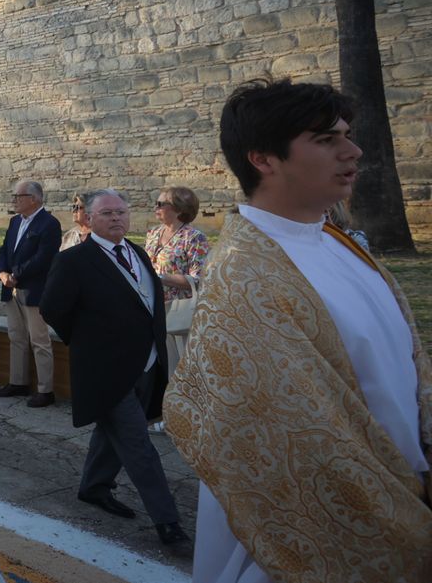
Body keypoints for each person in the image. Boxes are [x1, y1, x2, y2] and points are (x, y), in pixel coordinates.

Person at [166, 80, 432, 583]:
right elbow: (297, 439)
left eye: (346, 136)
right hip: (331, 536)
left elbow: (409, 373)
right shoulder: (244, 277)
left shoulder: (343, 248)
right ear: (264, 158)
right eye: (327, 139)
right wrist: (403, 522)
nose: (352, 150)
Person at [40, 189, 188, 546]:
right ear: (89, 219)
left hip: (147, 365)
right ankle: (168, 523)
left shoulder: (136, 252)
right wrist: (89, 345)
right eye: (107, 213)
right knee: (138, 445)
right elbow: (52, 309)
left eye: (122, 211)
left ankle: (94, 487)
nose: (117, 218)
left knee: (113, 433)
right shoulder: (74, 260)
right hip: (106, 371)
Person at [0, 179, 62, 407]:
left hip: (33, 289)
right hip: (10, 288)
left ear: (33, 199)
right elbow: (4, 250)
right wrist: (2, 272)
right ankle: (18, 382)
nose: (14, 200)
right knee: (16, 336)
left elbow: (44, 258)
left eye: (18, 196)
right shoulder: (14, 222)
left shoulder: (49, 223)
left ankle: (45, 389)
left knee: (39, 339)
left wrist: (17, 274)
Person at [143, 186, 208, 388]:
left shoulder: (194, 238)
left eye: (161, 203)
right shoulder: (153, 233)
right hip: (153, 307)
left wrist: (160, 277)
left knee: (179, 365)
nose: (156, 206)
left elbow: (199, 279)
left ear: (179, 209)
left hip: (178, 310)